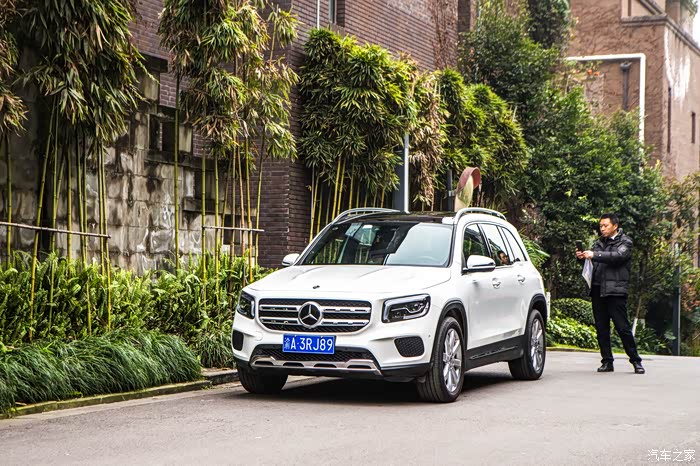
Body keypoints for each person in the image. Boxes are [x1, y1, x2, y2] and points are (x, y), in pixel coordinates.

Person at [575, 213, 644, 374]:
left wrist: (594, 254)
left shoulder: (625, 242)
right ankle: (607, 361)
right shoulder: (598, 243)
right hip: (597, 290)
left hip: (615, 291)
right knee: (601, 328)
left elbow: (618, 257)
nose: (602, 228)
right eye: (601, 226)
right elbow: (593, 261)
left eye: (605, 225)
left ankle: (636, 361)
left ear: (615, 226)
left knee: (622, 328)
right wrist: (582, 257)